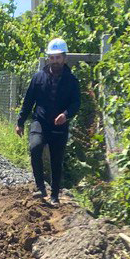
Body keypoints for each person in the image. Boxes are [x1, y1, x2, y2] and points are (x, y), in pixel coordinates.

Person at [15, 37, 80, 206]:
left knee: (56, 160)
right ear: (48, 59)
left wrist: (66, 114)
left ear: (64, 58)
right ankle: (40, 187)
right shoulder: (38, 78)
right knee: (35, 147)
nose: (55, 61)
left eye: (58, 57)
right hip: (40, 121)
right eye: (52, 57)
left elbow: (76, 103)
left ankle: (55, 196)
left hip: (60, 125)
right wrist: (20, 121)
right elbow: (28, 100)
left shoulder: (72, 81)